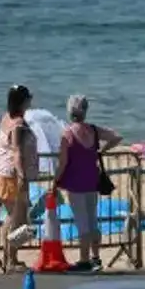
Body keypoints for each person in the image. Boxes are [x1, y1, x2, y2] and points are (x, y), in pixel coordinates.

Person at [55, 95, 119, 273]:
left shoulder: (67, 134)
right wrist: (102, 150)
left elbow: (63, 163)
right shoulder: (93, 130)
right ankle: (96, 257)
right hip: (92, 180)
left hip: (75, 183)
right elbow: (116, 137)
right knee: (92, 221)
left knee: (81, 222)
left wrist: (54, 182)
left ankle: (84, 260)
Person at [0, 86, 35, 272]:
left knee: (11, 217)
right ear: (22, 102)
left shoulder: (6, 118)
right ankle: (11, 259)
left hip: (3, 174)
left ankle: (9, 257)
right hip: (13, 175)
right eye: (28, 98)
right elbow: (17, 152)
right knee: (16, 219)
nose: (30, 100)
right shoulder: (18, 124)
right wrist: (22, 176)